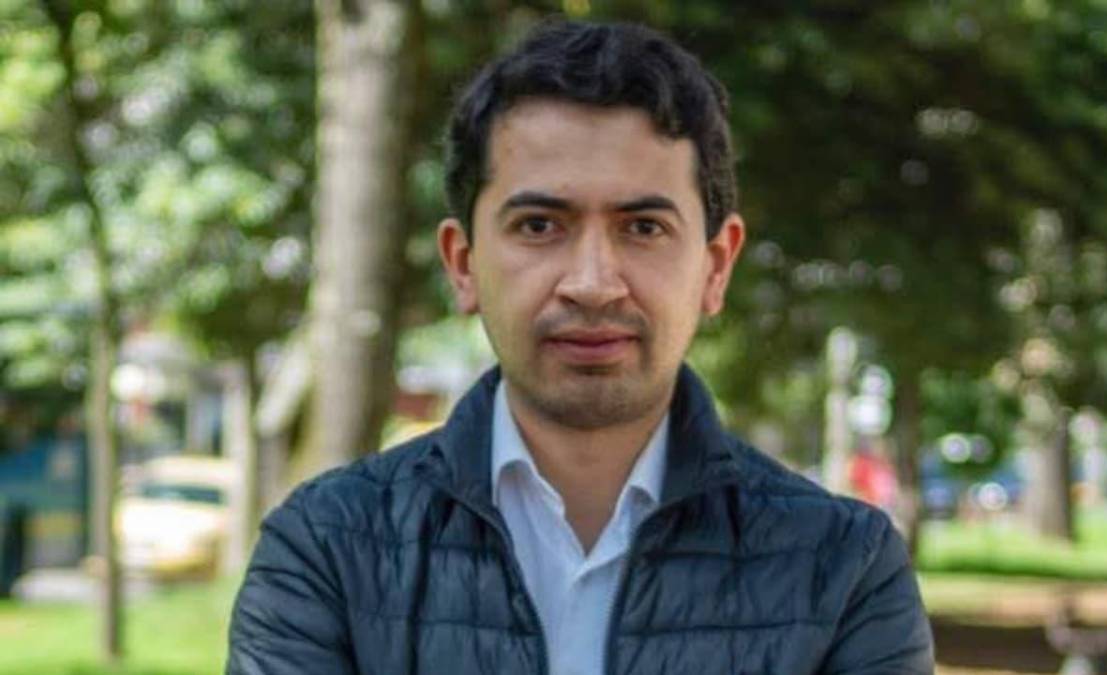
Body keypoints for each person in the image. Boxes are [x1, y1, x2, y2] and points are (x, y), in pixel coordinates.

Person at [227, 19, 934, 675]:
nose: (592, 284)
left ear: (716, 267)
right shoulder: (325, 548)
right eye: (539, 225)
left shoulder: (845, 570)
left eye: (644, 228)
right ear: (463, 264)